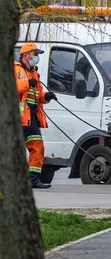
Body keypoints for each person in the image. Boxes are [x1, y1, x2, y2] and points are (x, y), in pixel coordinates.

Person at [15, 42, 57, 189]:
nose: (37, 57)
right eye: (35, 54)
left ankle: (33, 180)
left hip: (30, 117)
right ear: (26, 56)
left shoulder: (34, 73)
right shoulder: (15, 69)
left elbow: (37, 96)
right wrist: (27, 82)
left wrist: (46, 97)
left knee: (37, 147)